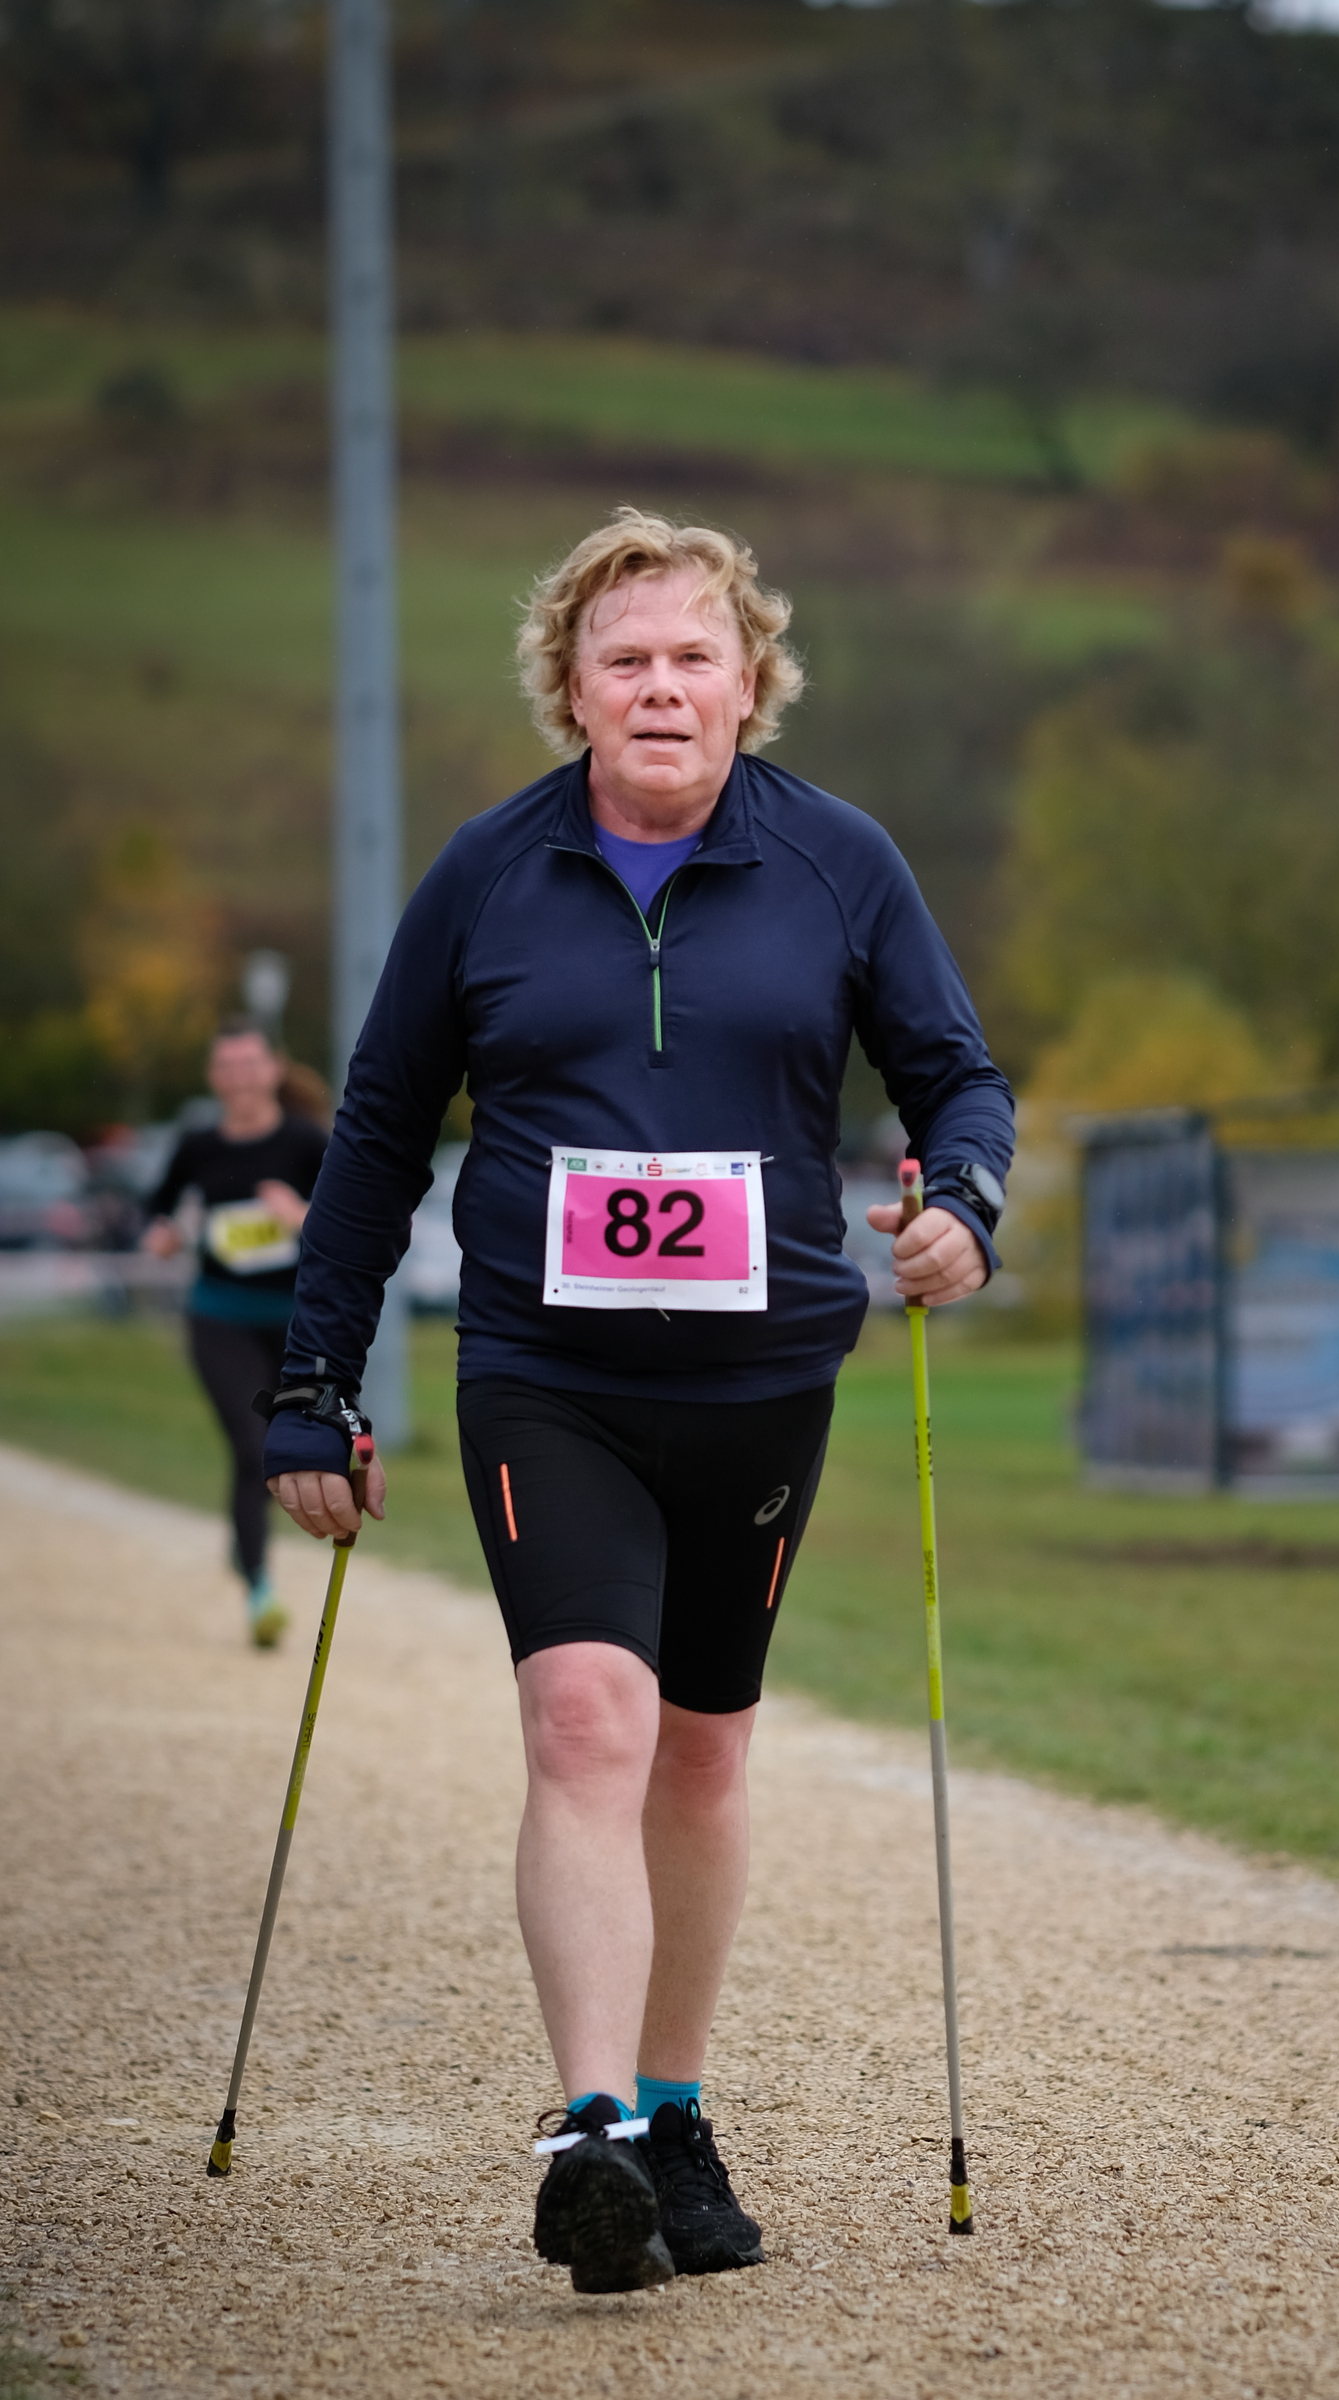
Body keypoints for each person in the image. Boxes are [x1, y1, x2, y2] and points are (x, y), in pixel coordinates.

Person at [259, 509, 1014, 2293]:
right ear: (571, 689)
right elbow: (376, 1138)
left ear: (751, 683)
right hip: (552, 1373)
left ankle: (675, 2111)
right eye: (624, 660)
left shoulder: (839, 862)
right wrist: (314, 1379)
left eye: (693, 657)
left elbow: (958, 1079)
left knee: (703, 1745)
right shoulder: (486, 875)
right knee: (587, 1720)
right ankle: (590, 2131)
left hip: (763, 1377)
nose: (660, 687)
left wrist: (967, 1209)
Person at [143, 1020, 330, 1648]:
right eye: (227, 1066)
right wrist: (164, 1234)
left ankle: (246, 1552)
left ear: (274, 1068)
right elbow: (159, 1210)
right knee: (254, 1450)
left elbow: (348, 1219)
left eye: (251, 1064)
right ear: (213, 1077)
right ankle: (259, 1588)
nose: (240, 1078)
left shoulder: (305, 1141)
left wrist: (299, 1215)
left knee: (287, 1450)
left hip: (295, 1325)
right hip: (220, 1318)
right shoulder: (198, 1146)